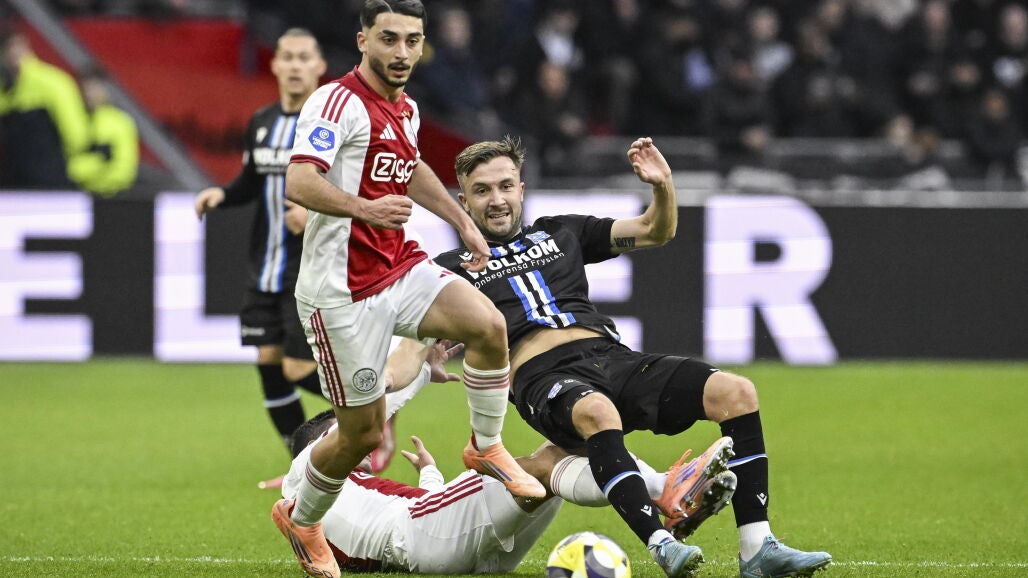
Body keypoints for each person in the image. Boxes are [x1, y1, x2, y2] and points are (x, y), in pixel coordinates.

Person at [433, 136, 832, 578]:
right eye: (482, 190)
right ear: (463, 201)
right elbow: (414, 332)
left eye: (505, 186)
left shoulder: (561, 231)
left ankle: (758, 549)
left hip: (612, 358)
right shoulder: (448, 269)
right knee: (598, 412)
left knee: (736, 392)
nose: (497, 200)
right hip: (543, 378)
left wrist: (662, 186)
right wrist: (421, 359)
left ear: (521, 190)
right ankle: (661, 543)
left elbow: (655, 231)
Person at [272, 3, 543, 577]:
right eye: (389, 39)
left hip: (398, 266)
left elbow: (412, 164)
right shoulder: (335, 102)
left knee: (486, 325)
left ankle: (485, 446)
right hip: (340, 291)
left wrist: (462, 220)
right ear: (363, 40)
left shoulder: (407, 108)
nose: (401, 53)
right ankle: (303, 517)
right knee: (362, 434)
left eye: (412, 41)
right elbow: (299, 180)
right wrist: (365, 208)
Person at [278, 407, 737, 574]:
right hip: (421, 534)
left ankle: (665, 498)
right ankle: (661, 491)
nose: (360, 439)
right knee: (547, 460)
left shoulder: (338, 496)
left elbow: (394, 517)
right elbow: (351, 429)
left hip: (440, 546)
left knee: (550, 473)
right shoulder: (306, 471)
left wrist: (430, 473)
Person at [193, 29, 345, 480]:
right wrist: (222, 195)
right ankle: (301, 464)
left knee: (297, 368)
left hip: (308, 270)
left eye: (304, 57)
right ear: (275, 65)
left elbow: (355, 189)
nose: (295, 66)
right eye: (288, 57)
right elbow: (250, 181)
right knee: (268, 365)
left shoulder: (329, 125)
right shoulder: (261, 122)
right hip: (264, 267)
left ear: (319, 67)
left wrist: (315, 212)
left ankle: (371, 407)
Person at [0, 26, 89, 189]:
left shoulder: (53, 83)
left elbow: (76, 135)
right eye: (8, 49)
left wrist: (70, 167)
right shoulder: (5, 89)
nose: (13, 54)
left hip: (48, 177)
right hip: (13, 179)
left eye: (17, 48)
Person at [67, 68, 139, 197]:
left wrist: (69, 171)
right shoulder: (79, 118)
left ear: (106, 89)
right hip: (90, 191)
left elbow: (104, 159)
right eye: (85, 89)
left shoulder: (115, 121)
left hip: (109, 193)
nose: (89, 94)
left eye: (94, 88)